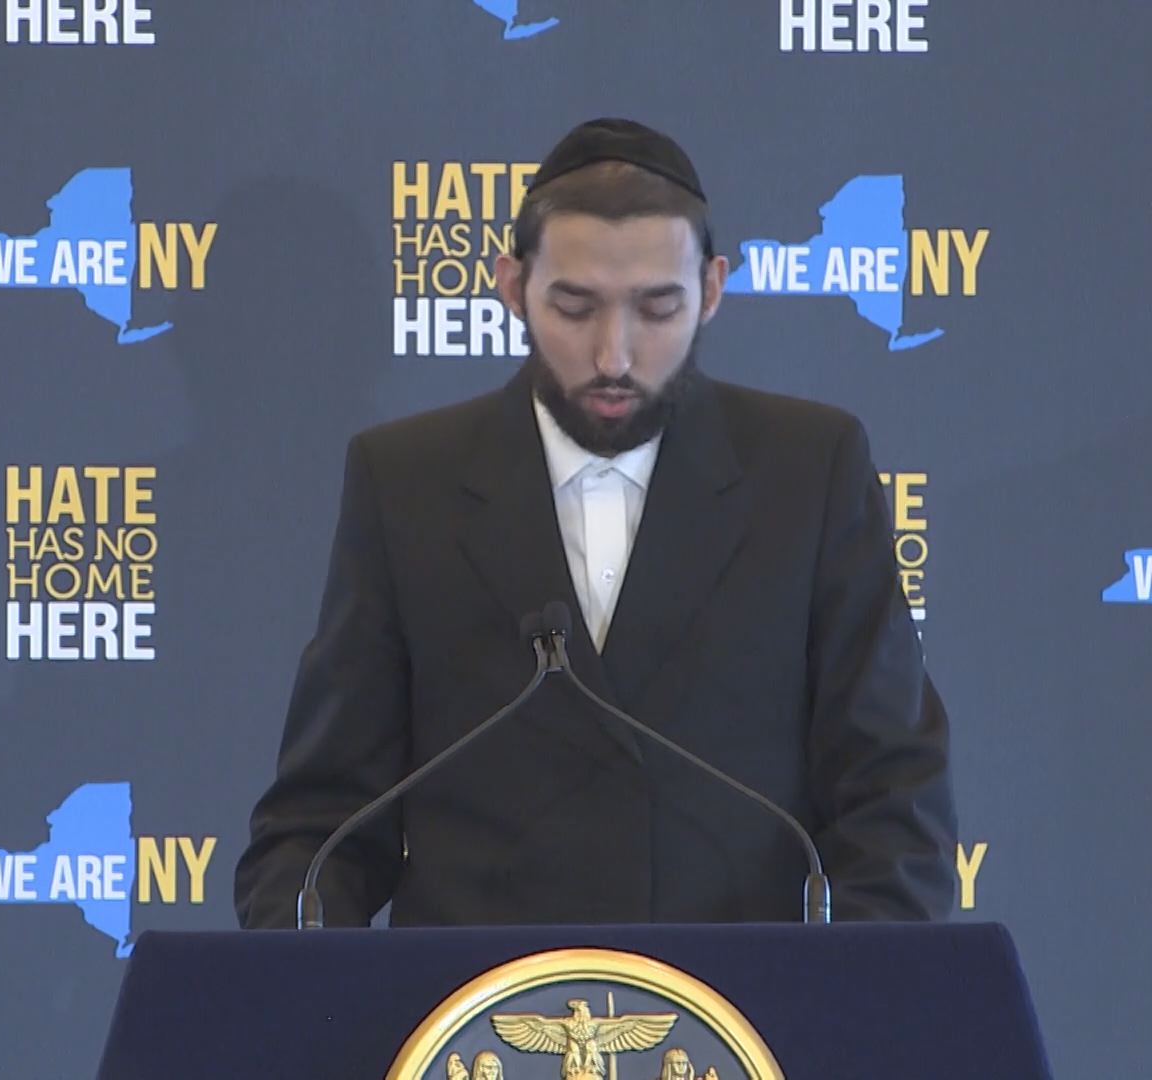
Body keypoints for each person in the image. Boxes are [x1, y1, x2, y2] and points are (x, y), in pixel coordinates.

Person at [233, 117, 955, 929]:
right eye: (575, 308)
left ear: (713, 289)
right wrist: (299, 956)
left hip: (734, 1004)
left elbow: (893, 799)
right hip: (476, 1005)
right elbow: (323, 821)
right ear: (513, 286)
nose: (615, 355)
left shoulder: (809, 470)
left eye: (658, 309)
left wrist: (841, 993)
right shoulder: (406, 480)